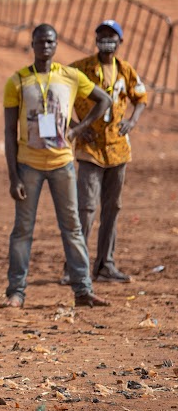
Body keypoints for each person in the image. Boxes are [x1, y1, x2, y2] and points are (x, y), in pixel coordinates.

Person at [2, 23, 112, 309]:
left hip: (63, 163)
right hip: (29, 165)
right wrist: (13, 176)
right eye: (40, 42)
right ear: (32, 44)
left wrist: (78, 129)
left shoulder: (71, 76)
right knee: (22, 230)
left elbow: (104, 99)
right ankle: (16, 292)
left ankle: (82, 290)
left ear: (56, 45)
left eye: (50, 42)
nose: (45, 46)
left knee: (72, 228)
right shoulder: (17, 81)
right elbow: (9, 132)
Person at [69, 20, 148, 283]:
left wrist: (133, 121)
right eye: (102, 34)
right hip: (89, 148)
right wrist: (75, 126)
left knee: (112, 207)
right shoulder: (80, 68)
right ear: (95, 39)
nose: (106, 39)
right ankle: (75, 268)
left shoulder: (126, 70)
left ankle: (105, 264)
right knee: (86, 208)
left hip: (117, 148)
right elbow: (56, 94)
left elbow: (141, 97)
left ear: (120, 41)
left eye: (112, 36)